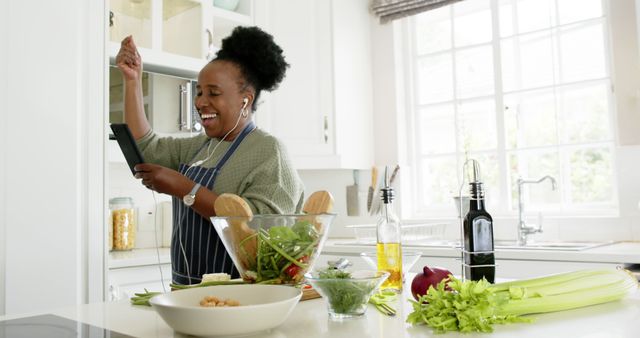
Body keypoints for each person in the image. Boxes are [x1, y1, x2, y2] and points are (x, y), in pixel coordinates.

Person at [115, 26, 305, 285]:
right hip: (186, 291)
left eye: (213, 93)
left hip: (244, 298)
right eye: (199, 92)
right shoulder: (200, 146)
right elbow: (146, 148)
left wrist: (185, 189)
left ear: (245, 101)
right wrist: (132, 80)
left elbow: (262, 235)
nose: (201, 102)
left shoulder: (269, 152)